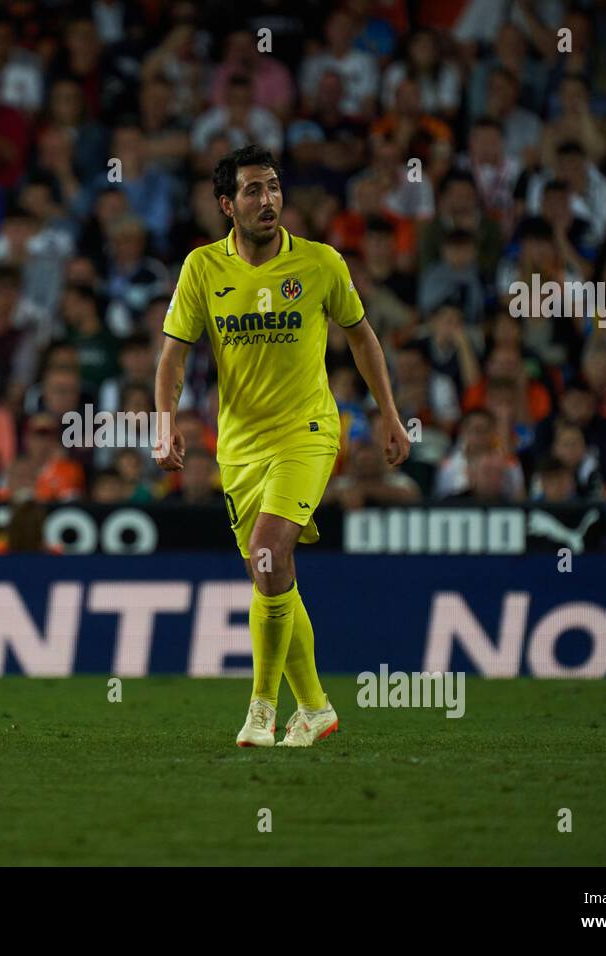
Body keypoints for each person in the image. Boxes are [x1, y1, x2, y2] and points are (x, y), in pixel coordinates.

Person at [155, 145, 409, 749]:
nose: (267, 199)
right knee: (270, 574)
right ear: (226, 205)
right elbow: (173, 353)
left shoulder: (322, 264)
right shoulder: (201, 269)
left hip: (309, 432)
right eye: (251, 190)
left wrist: (390, 416)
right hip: (239, 447)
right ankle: (316, 707)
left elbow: (363, 339)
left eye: (272, 187)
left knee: (268, 553)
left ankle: (261, 709)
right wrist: (164, 421)